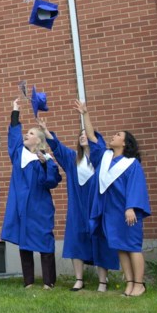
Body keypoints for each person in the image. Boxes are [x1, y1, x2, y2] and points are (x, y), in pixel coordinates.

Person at [39, 99, 118, 292]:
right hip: (77, 206)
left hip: (96, 206)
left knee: (99, 240)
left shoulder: (101, 160)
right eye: (80, 135)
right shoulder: (73, 159)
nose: (83, 137)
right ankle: (79, 279)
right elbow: (57, 147)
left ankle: (102, 281)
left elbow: (93, 139)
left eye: (86, 135)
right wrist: (45, 130)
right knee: (75, 239)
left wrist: (85, 114)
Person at [2, 97, 62, 289]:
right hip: (22, 206)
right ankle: (28, 282)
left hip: (40, 205)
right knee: (25, 242)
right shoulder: (19, 155)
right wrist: (15, 112)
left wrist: (45, 165)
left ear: (39, 139)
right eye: (26, 132)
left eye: (30, 133)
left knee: (44, 240)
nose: (26, 135)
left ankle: (48, 281)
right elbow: (13, 138)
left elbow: (51, 182)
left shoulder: (46, 158)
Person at [88, 116, 151, 297]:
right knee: (120, 247)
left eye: (118, 135)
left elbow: (135, 187)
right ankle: (129, 284)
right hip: (111, 211)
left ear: (124, 143)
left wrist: (131, 207)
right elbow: (92, 139)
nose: (113, 136)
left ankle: (139, 284)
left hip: (127, 211)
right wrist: (84, 114)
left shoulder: (131, 164)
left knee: (132, 246)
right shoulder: (105, 158)